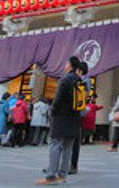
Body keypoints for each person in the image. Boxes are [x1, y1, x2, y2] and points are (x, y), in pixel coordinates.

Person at [35, 56, 81, 185]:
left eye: (66, 63)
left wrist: (52, 112)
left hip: (62, 117)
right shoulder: (79, 80)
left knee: (55, 145)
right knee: (68, 147)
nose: (64, 65)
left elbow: (58, 99)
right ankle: (62, 174)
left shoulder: (65, 79)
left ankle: (50, 176)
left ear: (70, 65)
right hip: (74, 118)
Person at [69, 60, 89, 175]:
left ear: (79, 70)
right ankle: (67, 163)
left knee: (75, 139)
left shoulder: (84, 81)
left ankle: (73, 164)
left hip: (77, 113)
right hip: (74, 112)